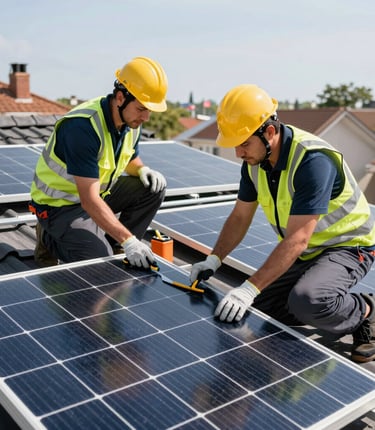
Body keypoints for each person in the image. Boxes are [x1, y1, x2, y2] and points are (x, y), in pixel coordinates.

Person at [190, 84, 375, 363]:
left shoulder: (313, 161)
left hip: (348, 246)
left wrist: (248, 288)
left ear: (270, 132)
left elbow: (297, 239)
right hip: (309, 250)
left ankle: (366, 312)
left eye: (243, 143)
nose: (239, 152)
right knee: (263, 307)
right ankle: (329, 302)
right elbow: (240, 216)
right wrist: (214, 260)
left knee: (308, 300)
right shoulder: (254, 162)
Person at [30, 56, 168, 268]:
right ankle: (49, 238)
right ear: (121, 98)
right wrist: (130, 240)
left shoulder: (131, 122)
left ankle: (116, 246)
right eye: (142, 109)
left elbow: (130, 157)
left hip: (98, 194)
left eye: (150, 110)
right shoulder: (82, 127)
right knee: (97, 262)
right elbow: (88, 200)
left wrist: (142, 169)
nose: (146, 117)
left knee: (153, 188)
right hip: (61, 206)